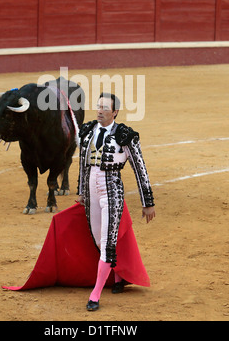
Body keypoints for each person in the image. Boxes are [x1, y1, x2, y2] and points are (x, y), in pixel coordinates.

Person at [77, 92, 155, 311]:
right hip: (92, 191)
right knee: (99, 240)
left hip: (112, 191)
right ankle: (119, 277)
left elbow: (140, 168)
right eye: (98, 106)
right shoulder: (88, 131)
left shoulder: (125, 135)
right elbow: (83, 165)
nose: (99, 110)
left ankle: (95, 294)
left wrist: (147, 201)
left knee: (108, 243)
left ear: (115, 112)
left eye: (104, 107)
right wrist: (81, 193)